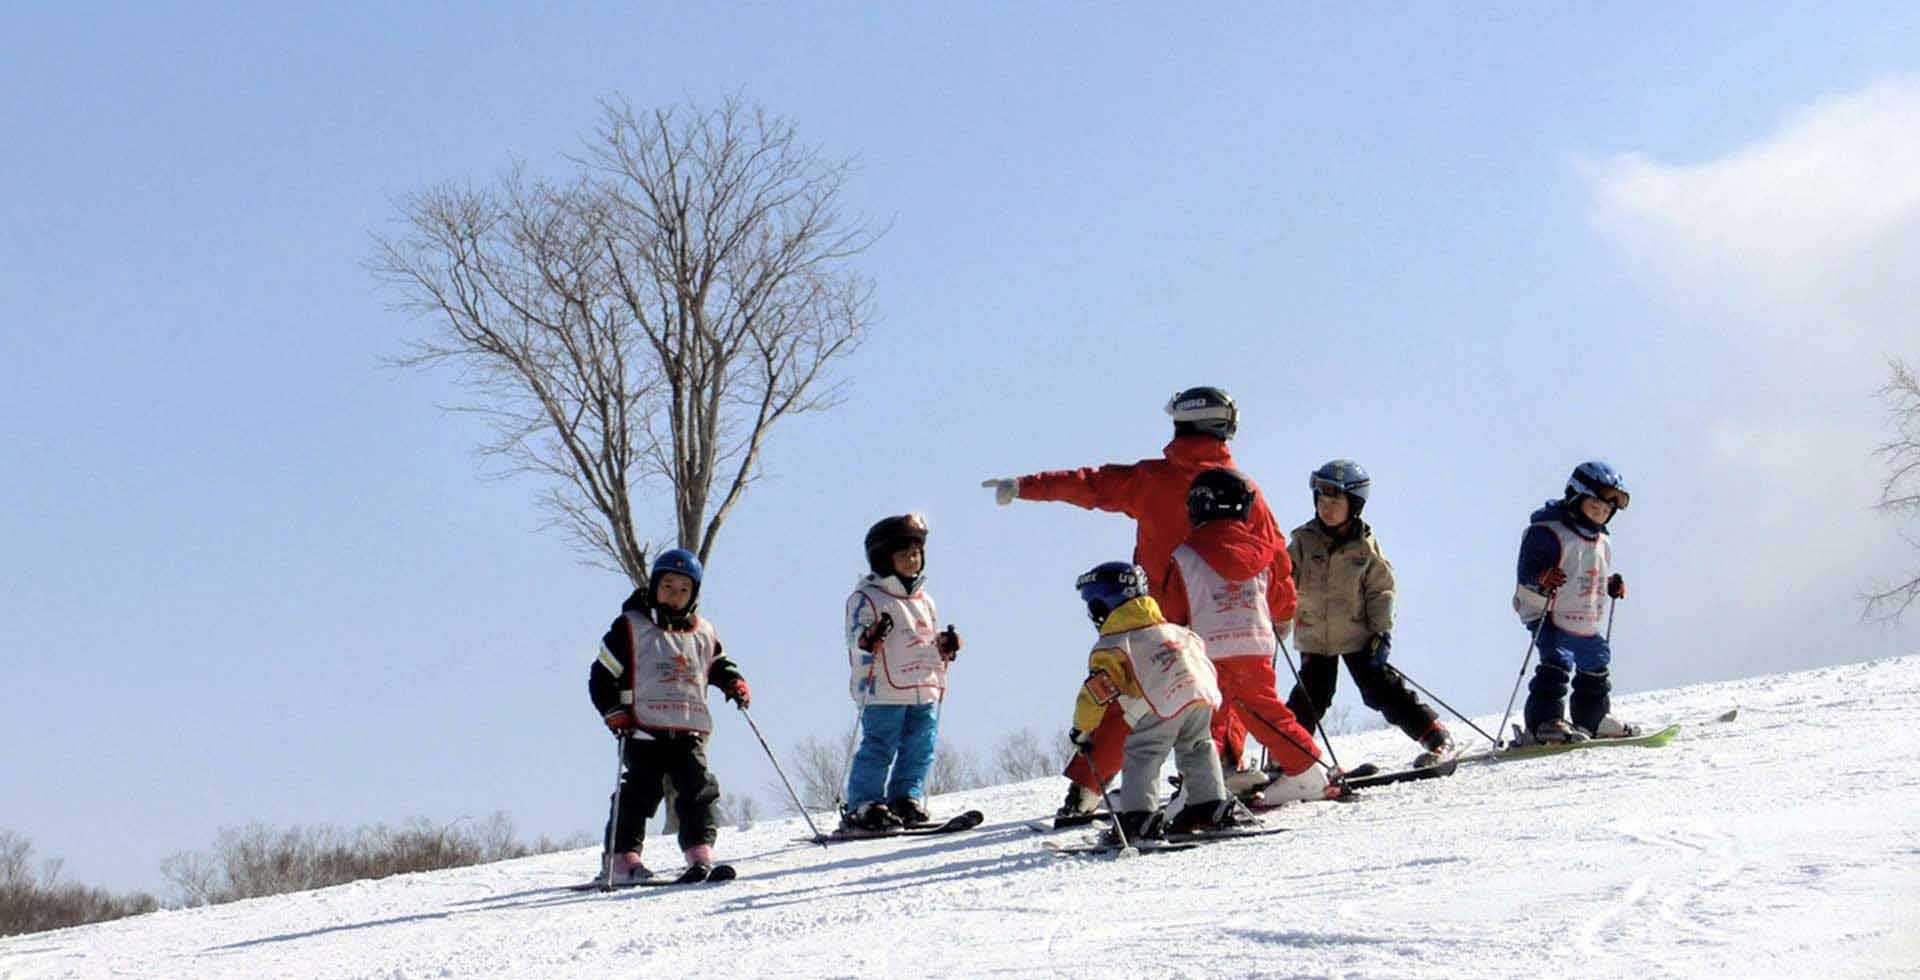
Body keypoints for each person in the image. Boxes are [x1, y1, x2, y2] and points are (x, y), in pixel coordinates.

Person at [983, 386, 1283, 816]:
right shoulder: (1241, 489)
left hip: (1155, 614)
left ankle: (1088, 787)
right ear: (1225, 426)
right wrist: (1283, 609)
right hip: (1225, 611)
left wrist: (1025, 486)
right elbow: (1273, 551)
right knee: (1218, 690)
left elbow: (1090, 485)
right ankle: (1221, 770)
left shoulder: (1150, 480)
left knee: (1132, 696)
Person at [587, 548, 749, 885]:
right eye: (668, 587)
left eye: (683, 590)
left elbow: (717, 663)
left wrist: (733, 682)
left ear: (694, 595)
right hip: (642, 727)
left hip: (687, 726)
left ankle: (700, 851)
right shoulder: (631, 627)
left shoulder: (702, 632)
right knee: (640, 792)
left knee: (698, 788)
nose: (675, 597)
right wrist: (614, 712)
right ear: (654, 587)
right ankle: (621, 858)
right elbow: (601, 676)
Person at [1156, 468, 1323, 793]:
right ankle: (1305, 769)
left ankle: (1207, 783)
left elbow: (1172, 611)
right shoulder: (1265, 551)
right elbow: (1282, 597)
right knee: (1266, 711)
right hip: (1255, 645)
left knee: (1208, 719)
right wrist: (1282, 618)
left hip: (1208, 651)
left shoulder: (1184, 556)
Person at [1285, 460, 1454, 765]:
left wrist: (1381, 632)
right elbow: (1282, 578)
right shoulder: (1303, 542)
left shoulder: (1364, 547)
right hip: (1315, 637)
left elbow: (1381, 590)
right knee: (1310, 698)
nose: (1326, 508)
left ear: (1355, 505)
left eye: (1335, 501)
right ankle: (1287, 760)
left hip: (1358, 635)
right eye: (1321, 500)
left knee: (1381, 690)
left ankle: (1435, 736)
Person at [1066, 561, 1235, 842]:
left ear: (1102, 605)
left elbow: (1095, 695)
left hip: (1159, 705)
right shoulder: (1173, 630)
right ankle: (1209, 805)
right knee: (1197, 746)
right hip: (1199, 695)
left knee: (1143, 752)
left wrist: (1082, 730)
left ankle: (1138, 818)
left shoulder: (1114, 645)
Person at [842, 513, 963, 830]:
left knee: (921, 744)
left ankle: (904, 797)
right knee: (880, 744)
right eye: (903, 554)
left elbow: (927, 637)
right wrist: (869, 637)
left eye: (916, 553)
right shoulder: (867, 597)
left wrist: (946, 644)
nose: (912, 560)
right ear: (884, 559)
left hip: (923, 683)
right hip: (884, 688)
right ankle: (864, 803)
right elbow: (856, 636)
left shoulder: (925, 600)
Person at [1514, 461, 1633, 743]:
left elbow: (1591, 572)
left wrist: (1610, 584)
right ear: (1576, 497)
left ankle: (1592, 719)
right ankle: (1545, 722)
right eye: (1595, 507)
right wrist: (1542, 577)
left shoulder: (1602, 539)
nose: (1600, 514)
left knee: (1596, 660)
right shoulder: (1547, 530)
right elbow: (1527, 570)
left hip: (1584, 614)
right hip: (1548, 611)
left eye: (1606, 511)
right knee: (1557, 661)